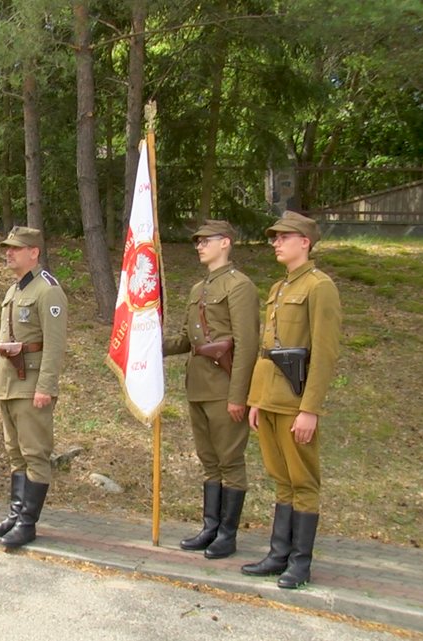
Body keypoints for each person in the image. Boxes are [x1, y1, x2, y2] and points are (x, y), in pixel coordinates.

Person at [241, 211, 341, 589]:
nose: (276, 243)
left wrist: (310, 409)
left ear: (306, 242)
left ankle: (300, 563)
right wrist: (255, 400)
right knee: (281, 479)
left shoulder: (319, 286)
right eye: (275, 237)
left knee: (302, 481)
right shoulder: (279, 288)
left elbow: (325, 352)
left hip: (296, 401)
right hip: (270, 399)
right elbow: (267, 349)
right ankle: (278, 554)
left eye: (284, 237)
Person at [163, 219, 259, 559]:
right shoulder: (197, 289)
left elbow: (247, 345)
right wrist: (150, 345)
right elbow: (188, 341)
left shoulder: (239, 286)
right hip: (198, 386)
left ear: (226, 243)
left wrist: (238, 395)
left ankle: (227, 535)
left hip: (223, 387)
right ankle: (210, 527)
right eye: (197, 241)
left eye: (207, 240)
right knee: (209, 462)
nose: (199, 246)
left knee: (230, 461)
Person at [0, 226, 67, 548]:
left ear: (34, 252)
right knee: (15, 454)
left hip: (32, 385)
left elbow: (55, 345)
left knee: (34, 454)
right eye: (7, 248)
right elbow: (5, 338)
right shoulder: (15, 290)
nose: (8, 252)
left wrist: (45, 386)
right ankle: (15, 515)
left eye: (16, 248)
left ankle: (28, 523)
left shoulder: (48, 290)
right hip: (9, 383)